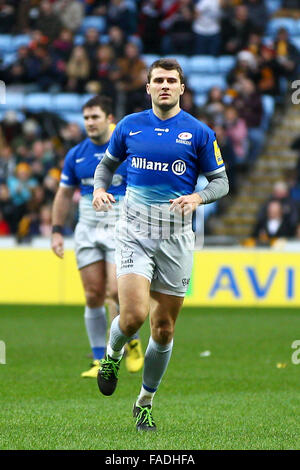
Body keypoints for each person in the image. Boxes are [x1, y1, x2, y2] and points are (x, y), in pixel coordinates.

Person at [93, 59, 229, 431]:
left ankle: (145, 402)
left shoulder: (199, 133)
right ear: (148, 87)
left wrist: (198, 198)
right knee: (134, 315)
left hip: (177, 238)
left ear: (182, 88)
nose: (165, 85)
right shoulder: (129, 127)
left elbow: (221, 182)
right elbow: (105, 166)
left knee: (164, 328)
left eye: (172, 80)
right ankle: (111, 354)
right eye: (158, 80)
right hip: (135, 232)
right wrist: (99, 188)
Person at [51, 96, 144, 378]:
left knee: (116, 292)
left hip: (120, 225)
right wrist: (56, 230)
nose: (90, 123)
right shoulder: (76, 154)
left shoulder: (126, 151)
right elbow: (64, 194)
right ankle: (97, 360)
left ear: (109, 118)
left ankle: (132, 341)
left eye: (95, 117)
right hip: (88, 228)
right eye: (86, 118)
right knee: (92, 294)